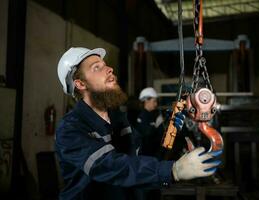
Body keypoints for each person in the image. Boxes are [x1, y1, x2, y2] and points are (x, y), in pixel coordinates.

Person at [55, 47, 222, 200]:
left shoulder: (118, 117)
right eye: (96, 67)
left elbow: (140, 158)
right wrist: (173, 170)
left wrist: (169, 134)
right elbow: (111, 166)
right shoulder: (70, 129)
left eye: (105, 64)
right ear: (80, 84)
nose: (109, 69)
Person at [135, 87, 165, 158]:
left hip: (154, 153)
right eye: (154, 101)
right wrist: (157, 126)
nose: (156, 104)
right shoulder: (142, 117)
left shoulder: (153, 115)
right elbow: (147, 135)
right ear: (146, 101)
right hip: (146, 155)